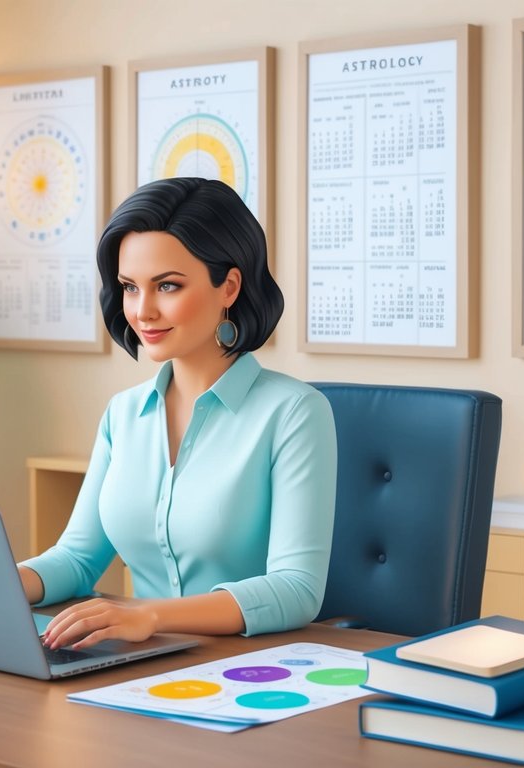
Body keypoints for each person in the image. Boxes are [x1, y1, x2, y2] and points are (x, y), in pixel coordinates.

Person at [18, 177, 337, 651]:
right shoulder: (123, 414)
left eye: (167, 286)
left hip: (248, 668)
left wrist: (148, 615)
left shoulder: (294, 413)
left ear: (229, 286)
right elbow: (78, 560)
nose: (143, 311)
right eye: (130, 287)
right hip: (139, 661)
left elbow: (297, 588)